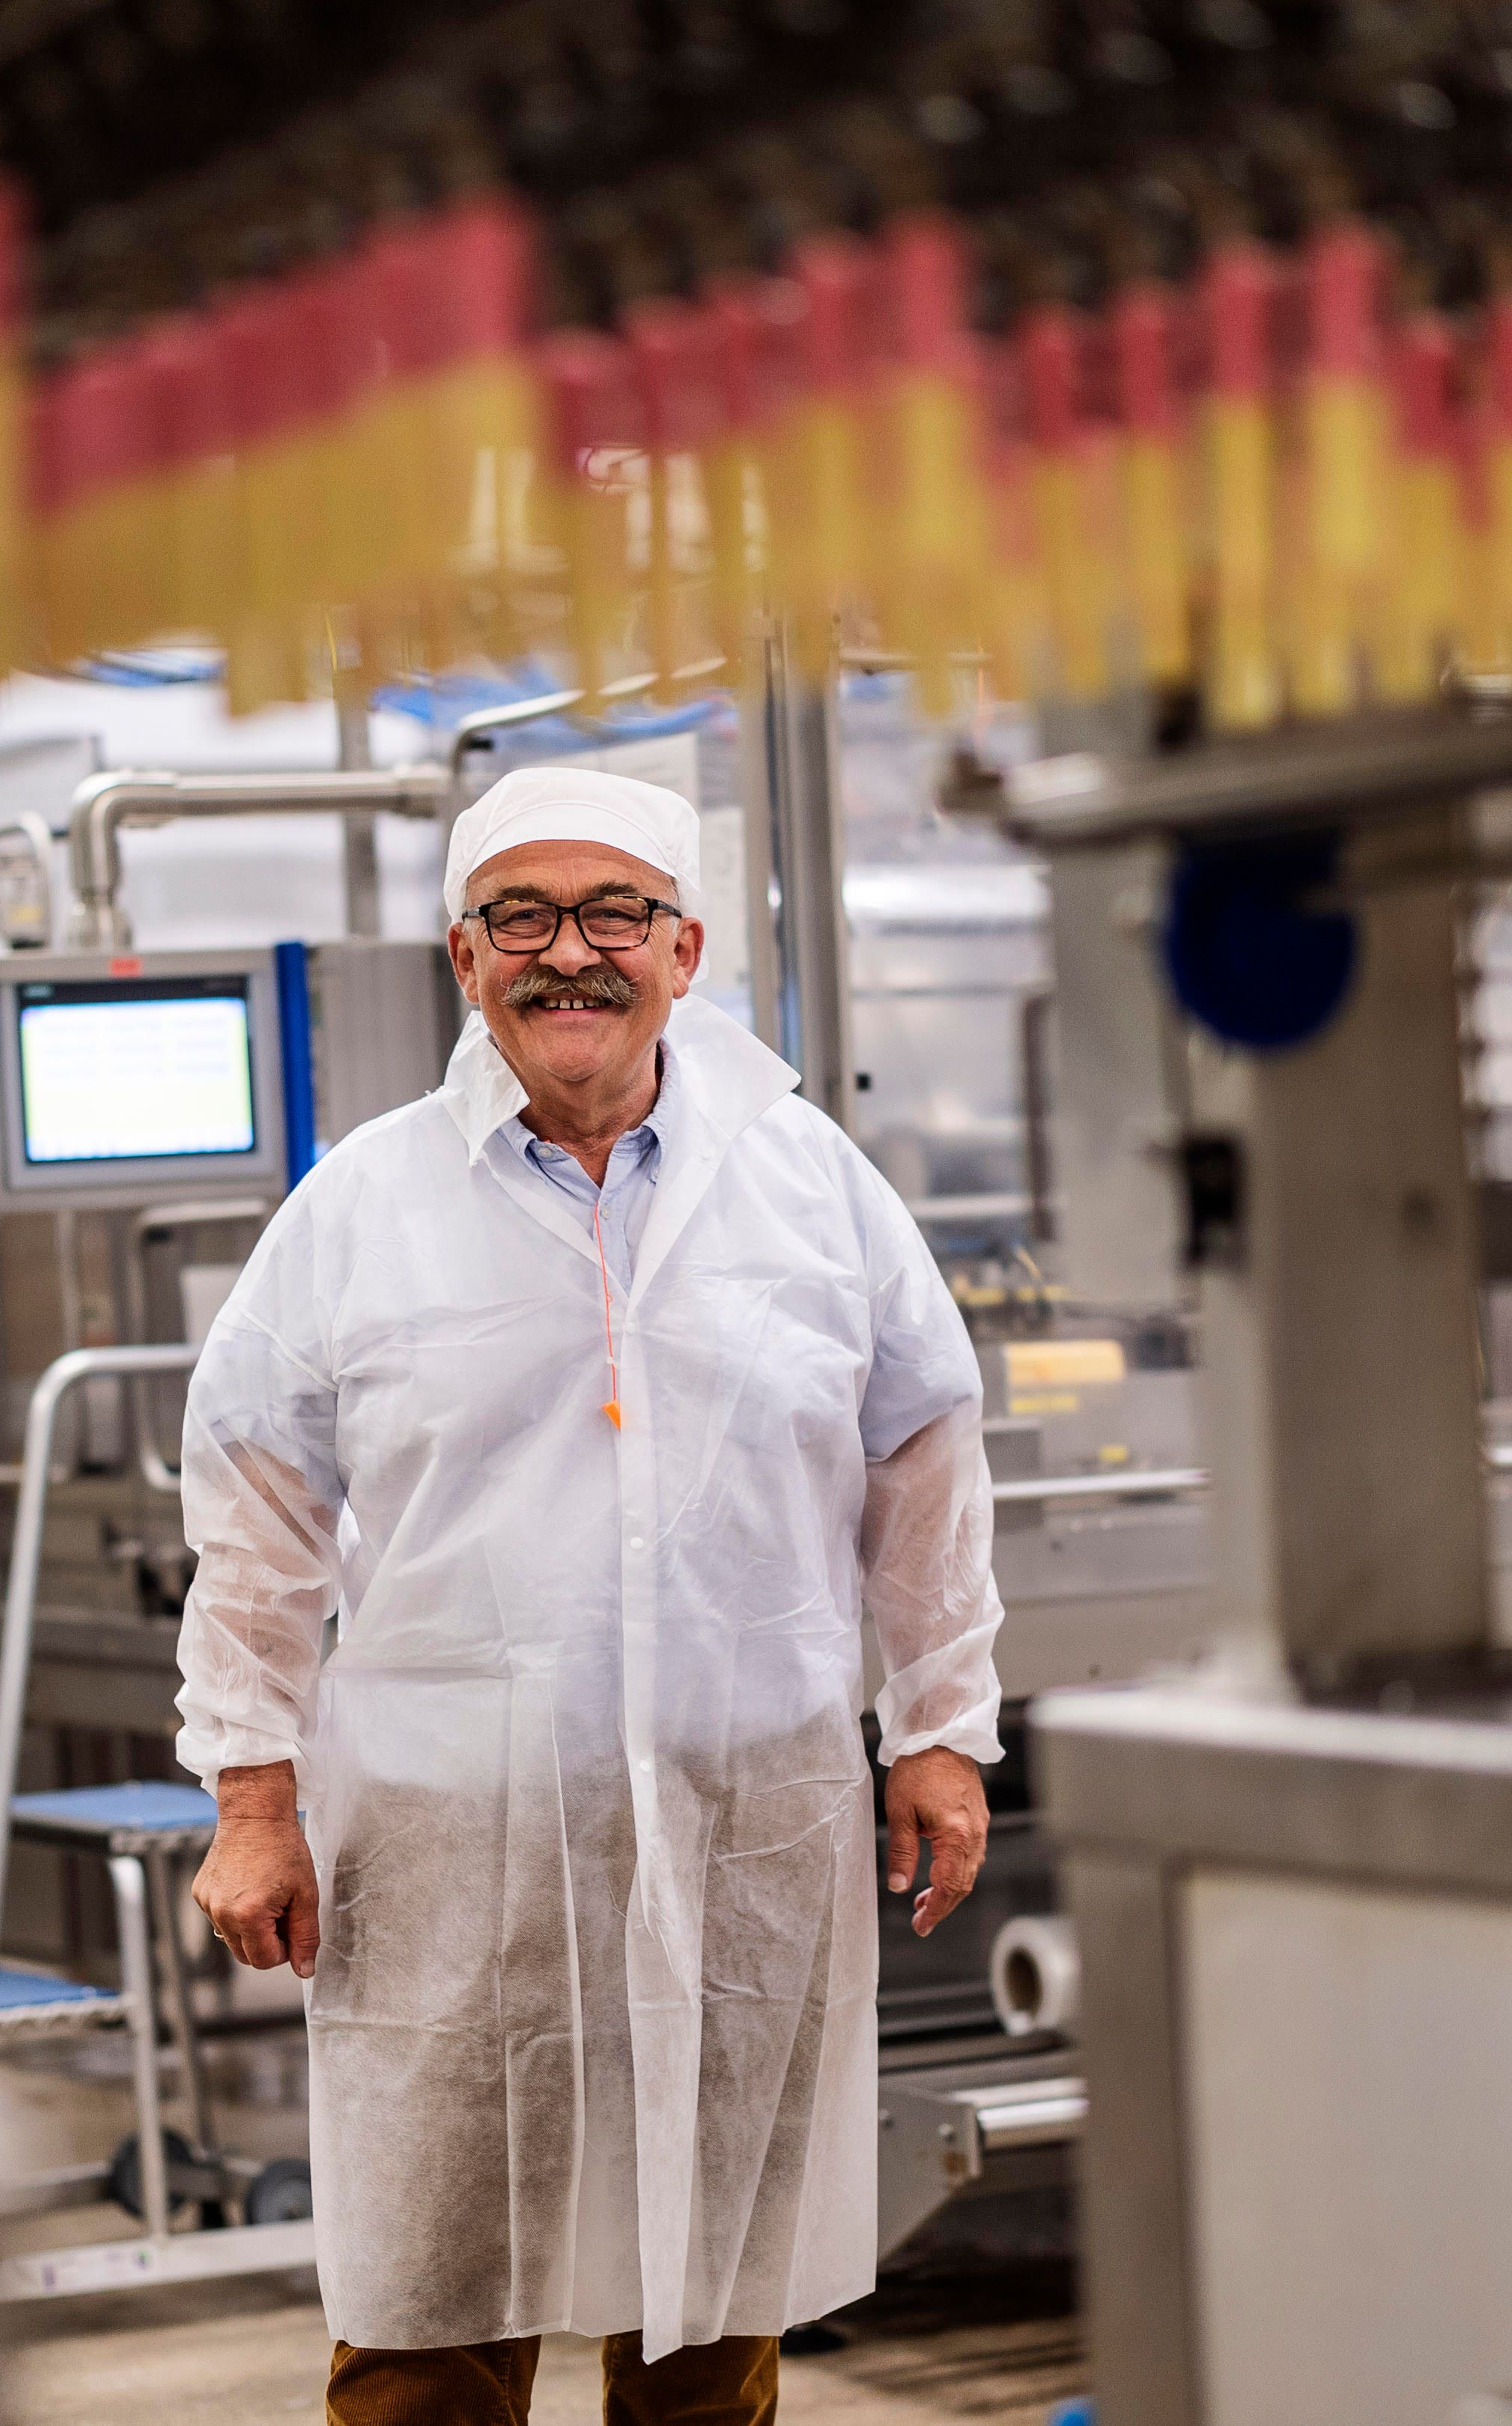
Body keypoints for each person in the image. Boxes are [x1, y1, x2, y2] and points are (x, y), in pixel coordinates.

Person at [172, 762, 1006, 2425]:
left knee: (712, 2312)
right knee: (428, 2318)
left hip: (739, 1821)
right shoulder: (363, 1206)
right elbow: (254, 1513)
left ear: (683, 949)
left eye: (615, 913)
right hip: (450, 1849)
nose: (570, 952)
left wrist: (938, 1727)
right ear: (463, 958)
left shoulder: (811, 1184)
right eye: (522, 918)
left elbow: (924, 1457)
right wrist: (252, 1800)